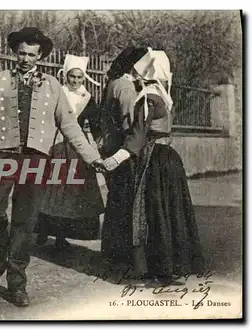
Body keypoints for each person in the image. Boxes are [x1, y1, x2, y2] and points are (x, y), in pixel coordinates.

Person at [0, 27, 105, 307]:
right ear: (15, 53)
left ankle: (17, 282)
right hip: (1, 156)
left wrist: (91, 157)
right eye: (21, 53)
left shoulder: (52, 86)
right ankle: (1, 243)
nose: (25, 59)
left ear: (40, 57)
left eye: (32, 55)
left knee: (25, 221)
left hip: (36, 160)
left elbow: (70, 125)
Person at [102, 48, 204, 286]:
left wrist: (115, 158)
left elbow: (137, 136)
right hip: (169, 158)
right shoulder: (164, 95)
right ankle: (168, 266)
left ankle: (152, 267)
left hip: (151, 159)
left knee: (148, 213)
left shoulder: (147, 97)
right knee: (168, 213)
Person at [35, 54, 105, 249]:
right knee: (50, 188)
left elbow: (97, 124)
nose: (75, 81)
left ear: (84, 78)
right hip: (55, 144)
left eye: (79, 77)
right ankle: (42, 229)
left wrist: (99, 144)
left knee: (73, 191)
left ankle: (62, 235)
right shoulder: (57, 93)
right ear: (65, 75)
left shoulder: (88, 99)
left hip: (76, 148)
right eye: (72, 76)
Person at [97, 47, 148, 270]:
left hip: (109, 145)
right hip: (121, 149)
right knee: (126, 201)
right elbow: (131, 123)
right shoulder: (126, 87)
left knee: (116, 199)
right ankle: (121, 254)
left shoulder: (114, 82)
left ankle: (111, 250)